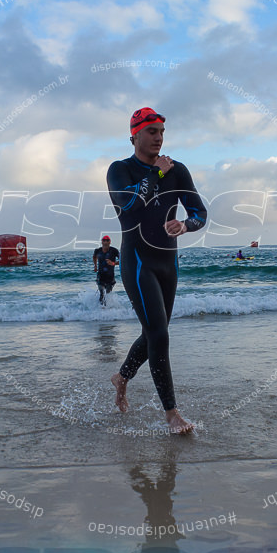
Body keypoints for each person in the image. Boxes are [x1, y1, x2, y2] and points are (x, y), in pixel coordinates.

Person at [106, 108, 207, 435]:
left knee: (153, 334)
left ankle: (121, 378)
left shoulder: (178, 171)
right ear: (134, 136)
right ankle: (172, 414)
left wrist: (186, 224)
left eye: (162, 130)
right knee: (159, 336)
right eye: (151, 131)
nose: (159, 136)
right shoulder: (119, 170)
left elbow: (199, 212)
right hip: (138, 262)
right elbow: (130, 204)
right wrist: (156, 175)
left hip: (168, 263)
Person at [93, 236, 120, 305]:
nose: (105, 242)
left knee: (108, 295)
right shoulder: (97, 250)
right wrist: (95, 266)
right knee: (102, 293)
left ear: (110, 242)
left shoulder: (114, 251)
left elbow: (123, 260)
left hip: (110, 277)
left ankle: (107, 310)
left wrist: (113, 263)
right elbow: (94, 257)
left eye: (107, 240)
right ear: (101, 242)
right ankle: (101, 309)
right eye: (104, 240)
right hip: (100, 276)